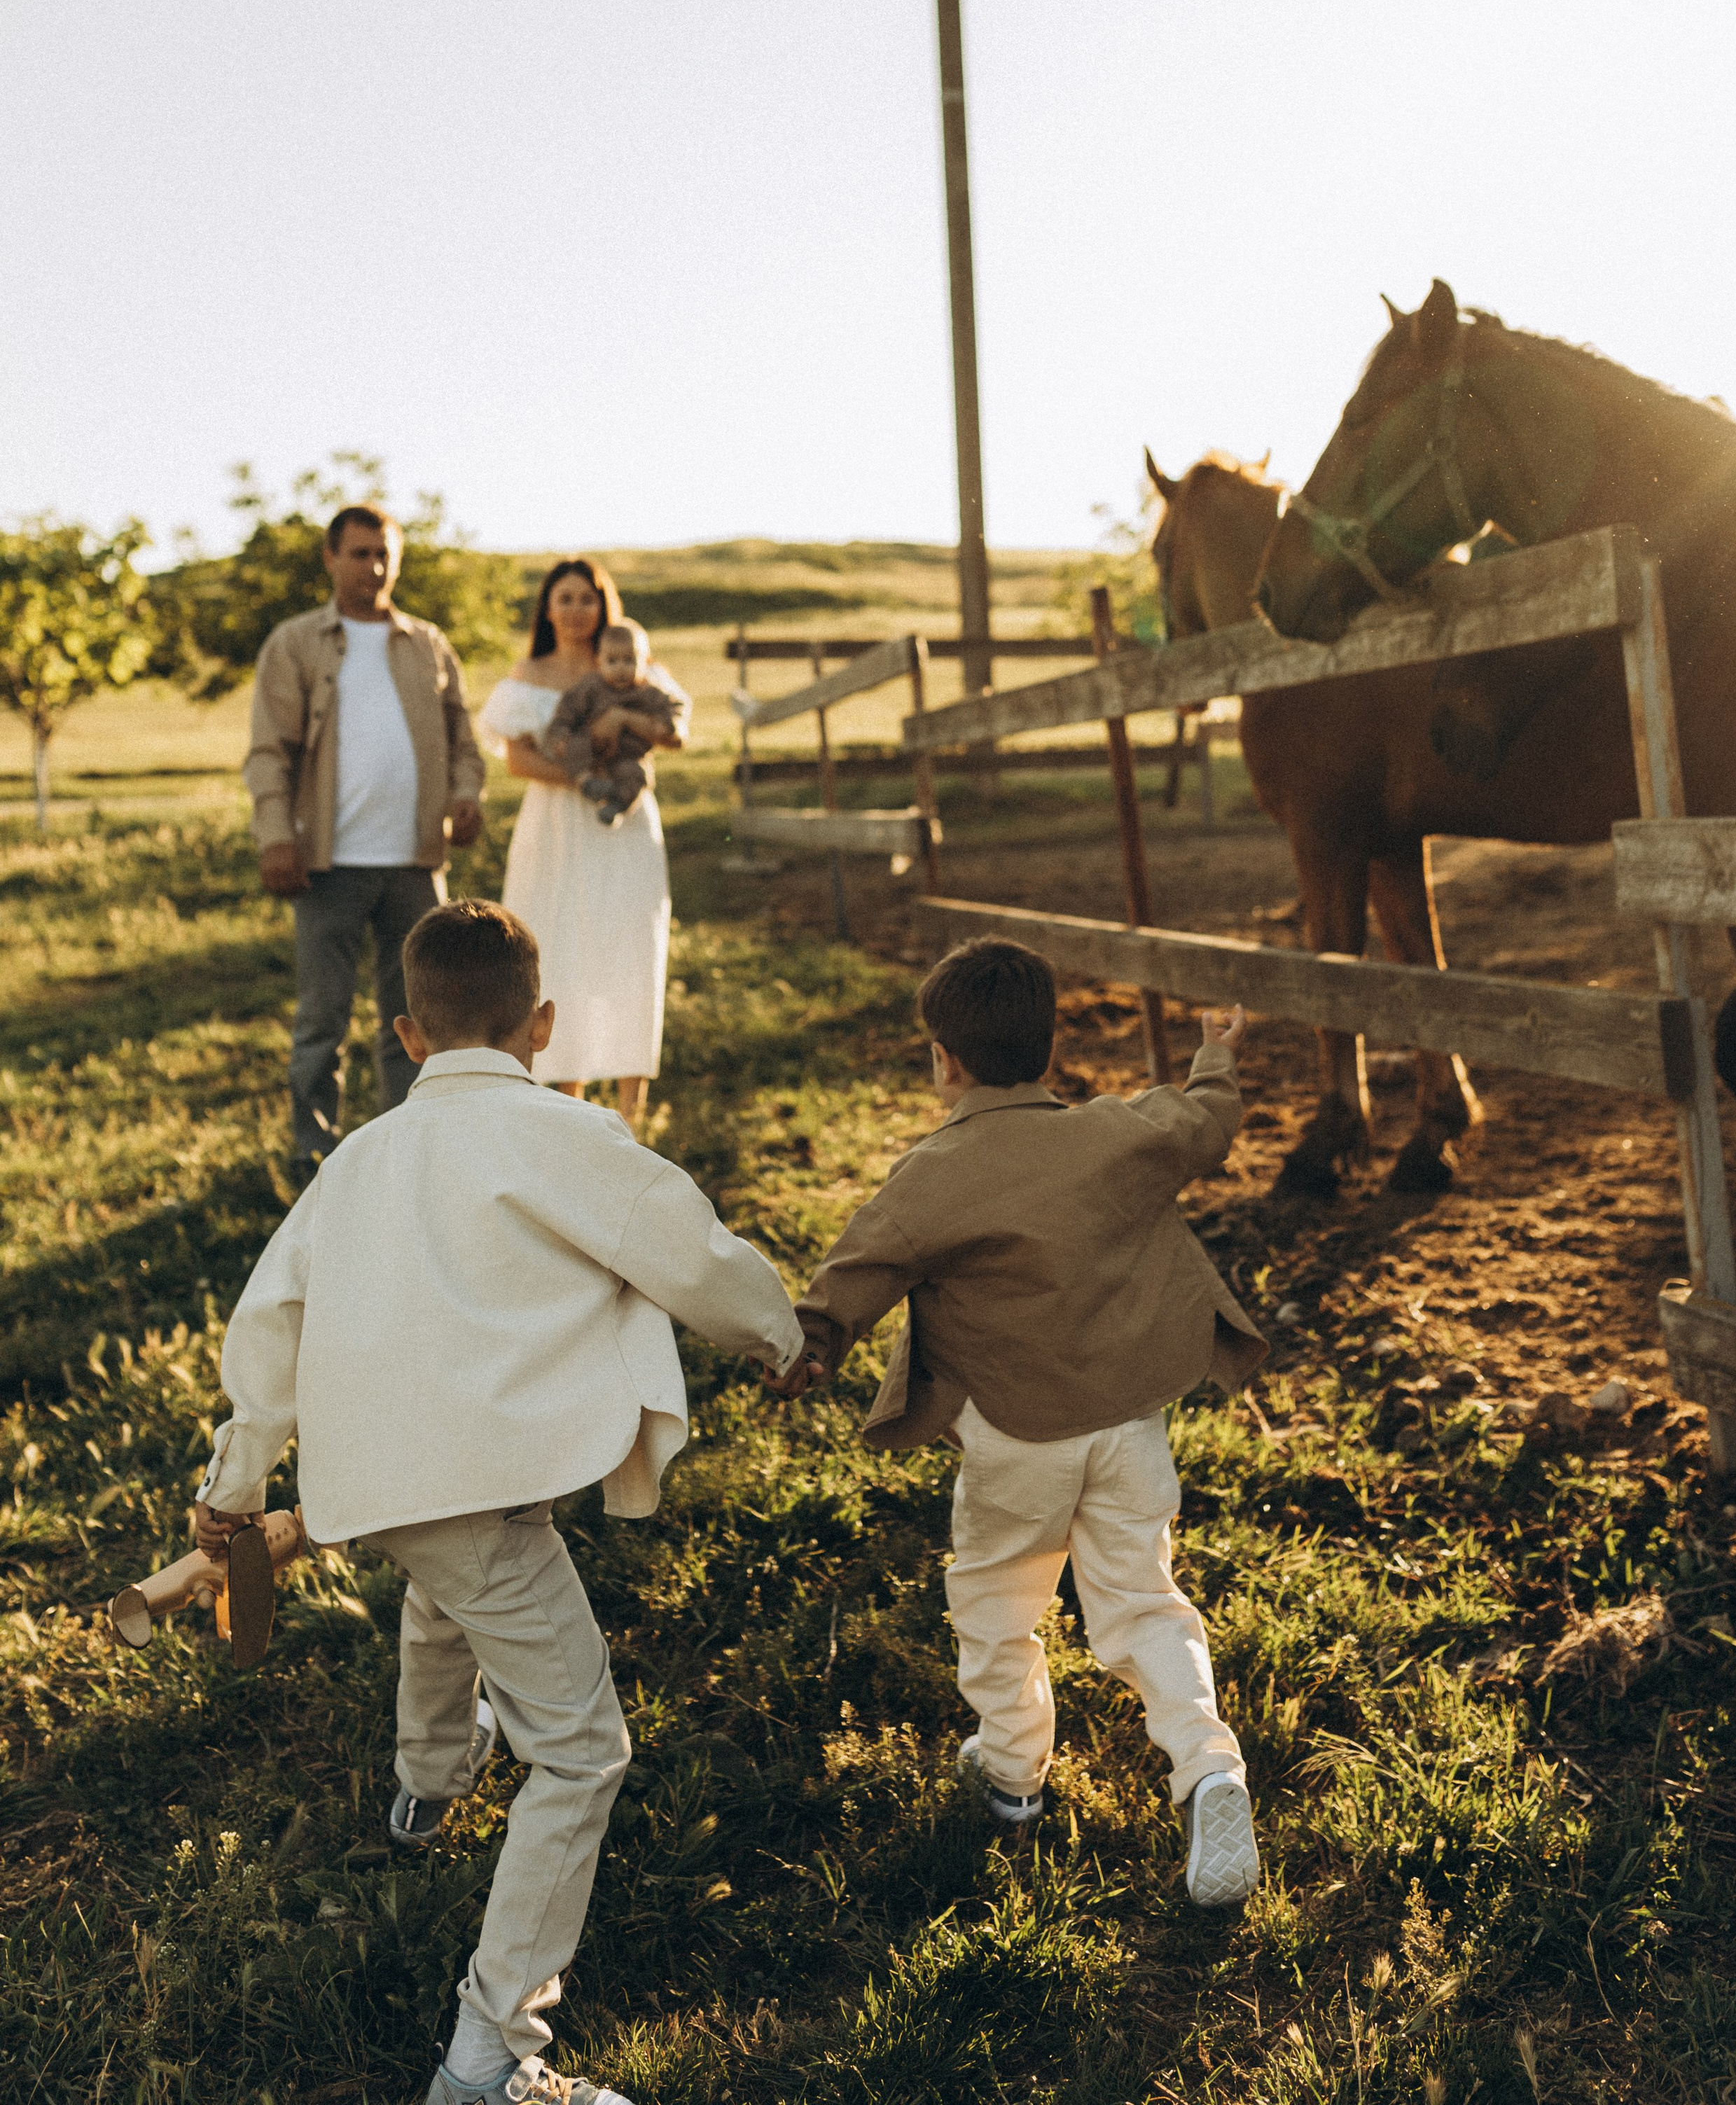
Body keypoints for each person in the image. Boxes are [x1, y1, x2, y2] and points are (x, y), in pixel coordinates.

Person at [193, 899, 811, 2105]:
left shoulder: (356, 1160)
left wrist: (235, 1486)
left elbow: (269, 1323)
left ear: (406, 1036)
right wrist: (780, 1339)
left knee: (450, 1590)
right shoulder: (570, 1135)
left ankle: (426, 1787)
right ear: (544, 1025)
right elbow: (689, 1252)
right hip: (475, 1486)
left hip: (384, 1481)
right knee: (582, 1753)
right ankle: (490, 2056)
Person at [789, 938, 1270, 1906]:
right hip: (1128, 1426)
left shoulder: (933, 1173)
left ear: (944, 1062)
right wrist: (1216, 1051)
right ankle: (1209, 1768)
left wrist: (812, 1344)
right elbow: (1206, 1121)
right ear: (1050, 1050)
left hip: (1017, 1438)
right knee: (1144, 1603)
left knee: (999, 1603)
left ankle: (1012, 1774)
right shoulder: (1118, 1131)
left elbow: (858, 1270)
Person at [244, 503, 485, 1175]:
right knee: (324, 1017)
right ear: (331, 558)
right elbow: (269, 752)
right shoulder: (296, 643)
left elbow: (464, 743)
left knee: (414, 1020)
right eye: (360, 554)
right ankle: (313, 1153)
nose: (374, 568)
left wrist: (467, 796)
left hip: (415, 863)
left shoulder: (428, 643)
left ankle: (403, 1153)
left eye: (384, 555)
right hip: (329, 863)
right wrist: (275, 837)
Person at [480, 563, 689, 1132]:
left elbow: (674, 733)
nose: (576, 610)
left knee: (630, 948)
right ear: (547, 609)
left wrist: (622, 716)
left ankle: (631, 1112)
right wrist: (583, 777)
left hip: (626, 826)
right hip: (555, 824)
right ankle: (565, 1103)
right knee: (557, 952)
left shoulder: (634, 666)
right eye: (564, 598)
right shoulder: (530, 673)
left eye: (586, 599)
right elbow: (519, 760)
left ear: (604, 605)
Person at [539, 618, 682, 824]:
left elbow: (674, 710)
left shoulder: (649, 692)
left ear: (645, 661)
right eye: (612, 661)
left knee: (637, 775)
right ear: (599, 661)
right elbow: (567, 712)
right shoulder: (591, 687)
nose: (621, 668)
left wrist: (667, 724)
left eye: (630, 661)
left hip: (627, 755)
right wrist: (560, 736)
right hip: (591, 749)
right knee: (573, 748)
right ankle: (587, 783)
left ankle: (617, 805)